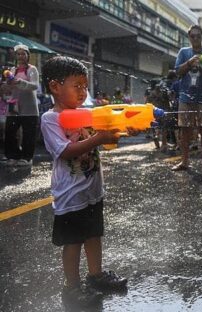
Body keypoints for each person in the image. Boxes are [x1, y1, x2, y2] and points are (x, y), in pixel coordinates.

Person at [39, 56, 129, 307]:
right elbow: (66, 151)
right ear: (56, 87)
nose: (82, 91)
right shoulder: (50, 118)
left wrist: (117, 131)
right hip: (70, 193)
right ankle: (72, 287)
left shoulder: (87, 114)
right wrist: (99, 139)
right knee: (73, 242)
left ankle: (96, 275)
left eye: (85, 86)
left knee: (93, 235)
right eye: (76, 85)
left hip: (92, 190)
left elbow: (106, 141)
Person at [172, 24, 202, 171]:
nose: (196, 38)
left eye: (198, 36)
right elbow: (177, 72)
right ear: (189, 37)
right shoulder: (183, 52)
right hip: (185, 98)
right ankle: (184, 162)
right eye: (193, 36)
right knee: (184, 130)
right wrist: (189, 63)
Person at [3, 44, 40, 166]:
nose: (20, 56)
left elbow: (35, 85)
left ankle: (27, 157)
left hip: (29, 108)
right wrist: (7, 86)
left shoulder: (32, 69)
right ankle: (13, 156)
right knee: (10, 132)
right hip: (14, 107)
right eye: (18, 54)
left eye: (23, 54)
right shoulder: (12, 70)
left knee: (28, 133)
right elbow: (9, 88)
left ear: (27, 56)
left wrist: (19, 82)